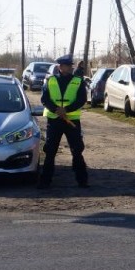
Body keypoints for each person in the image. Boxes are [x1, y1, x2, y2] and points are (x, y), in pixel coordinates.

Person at [38, 54, 89, 189]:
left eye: (70, 66)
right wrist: (56, 109)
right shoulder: (50, 80)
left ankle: (82, 181)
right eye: (65, 66)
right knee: (50, 151)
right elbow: (44, 99)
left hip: (71, 120)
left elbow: (81, 99)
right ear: (60, 67)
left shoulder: (78, 81)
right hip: (54, 120)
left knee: (77, 150)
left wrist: (66, 109)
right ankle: (45, 181)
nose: (68, 68)